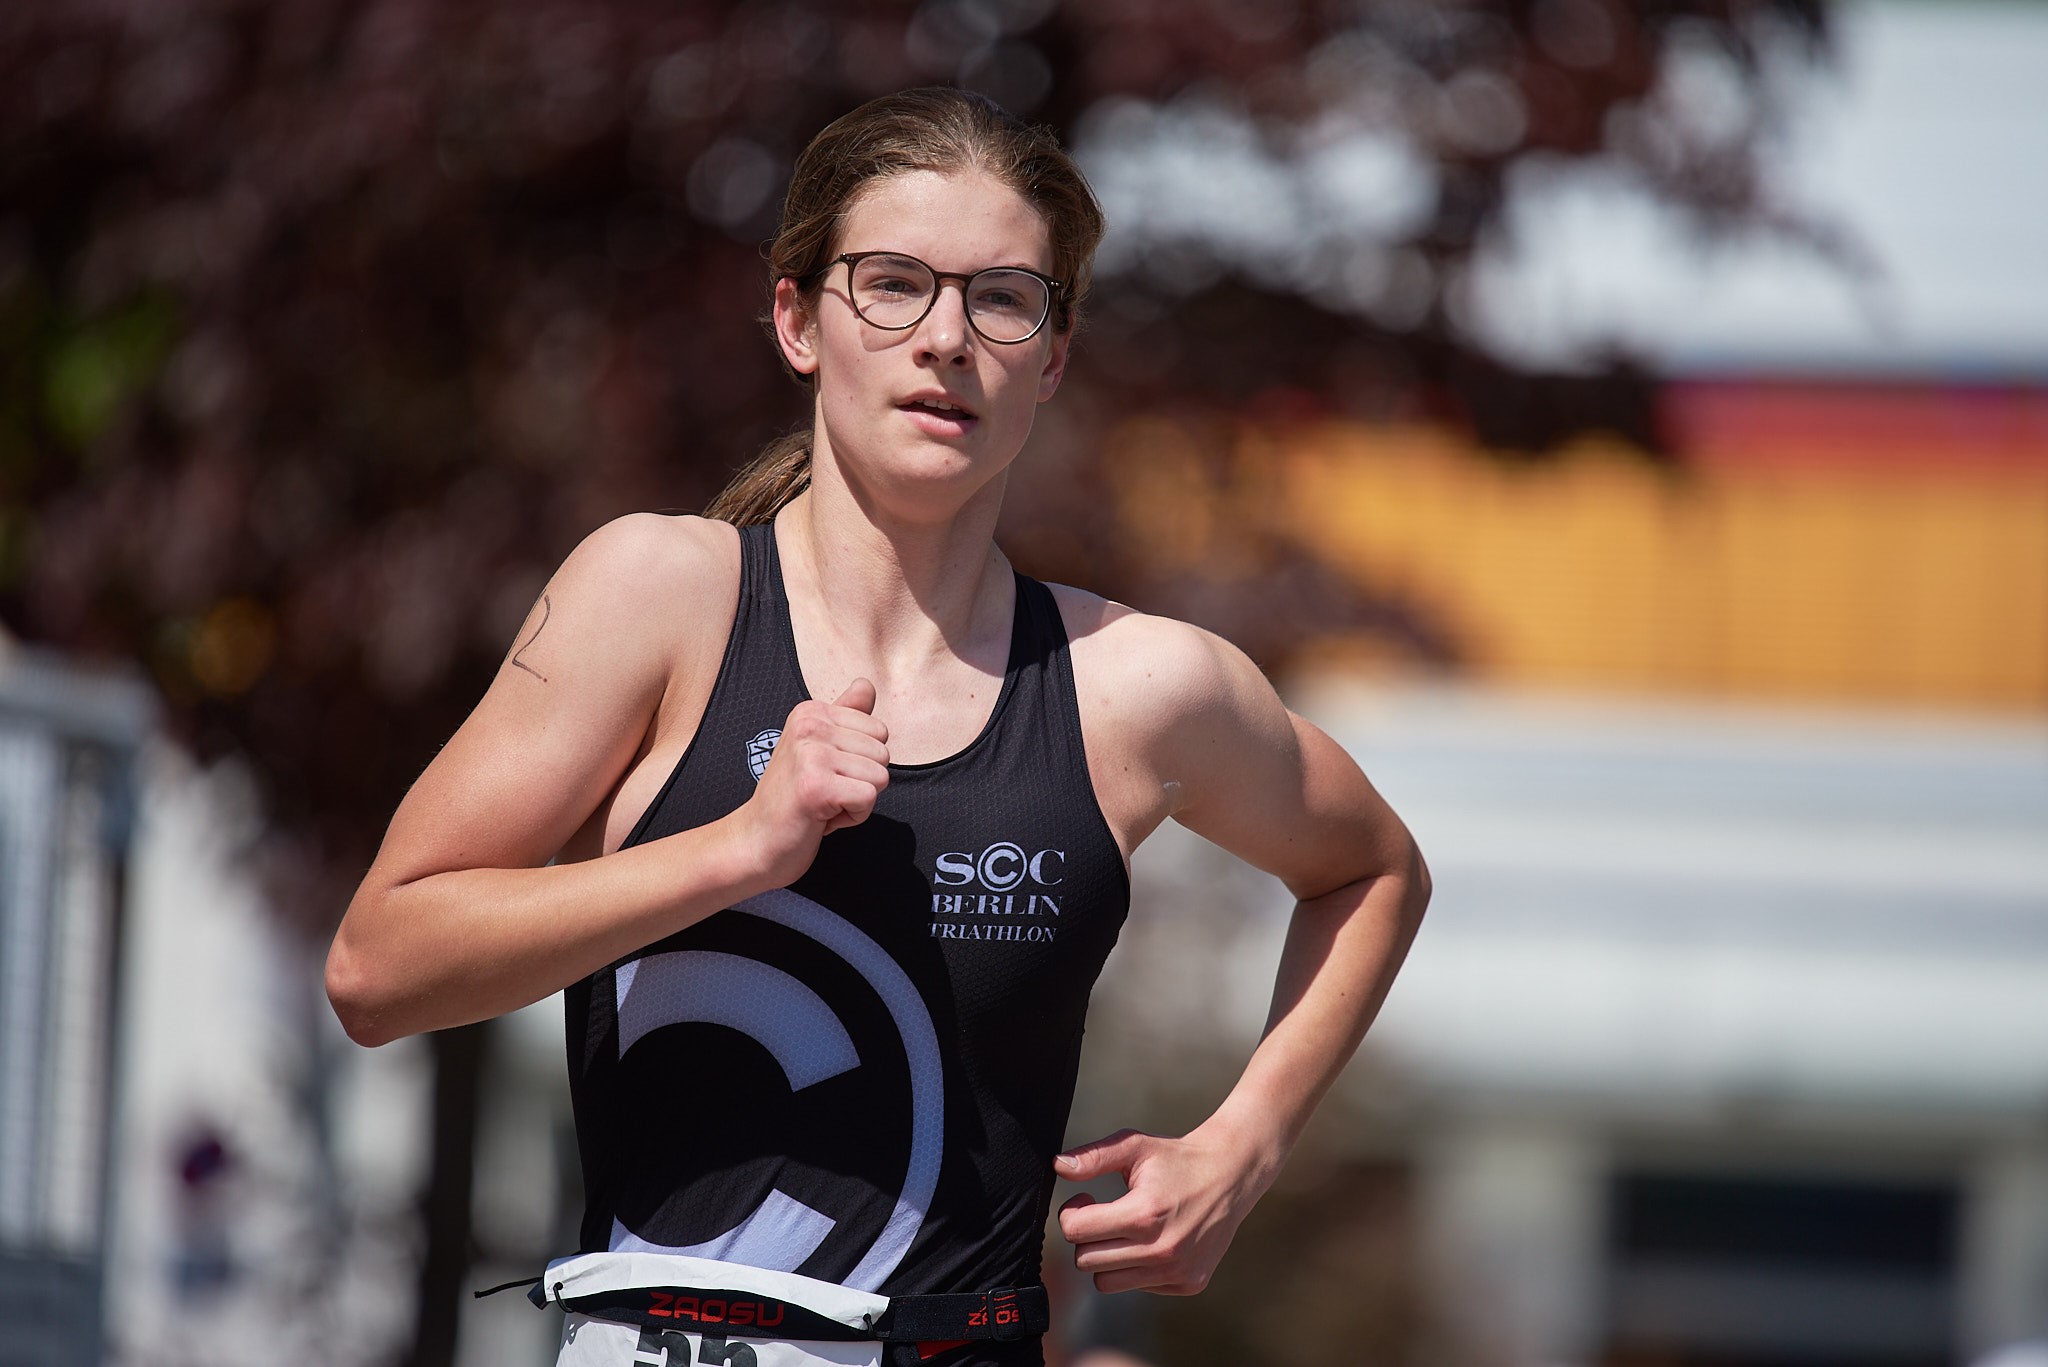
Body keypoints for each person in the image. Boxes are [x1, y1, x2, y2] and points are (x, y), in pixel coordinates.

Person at [326, 87, 1428, 1367]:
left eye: (1002, 298)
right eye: (893, 285)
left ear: (1051, 358)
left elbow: (1371, 868)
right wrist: (734, 849)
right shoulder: (659, 596)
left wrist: (1242, 1145)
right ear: (798, 320)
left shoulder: (1136, 684)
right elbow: (376, 969)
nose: (945, 338)